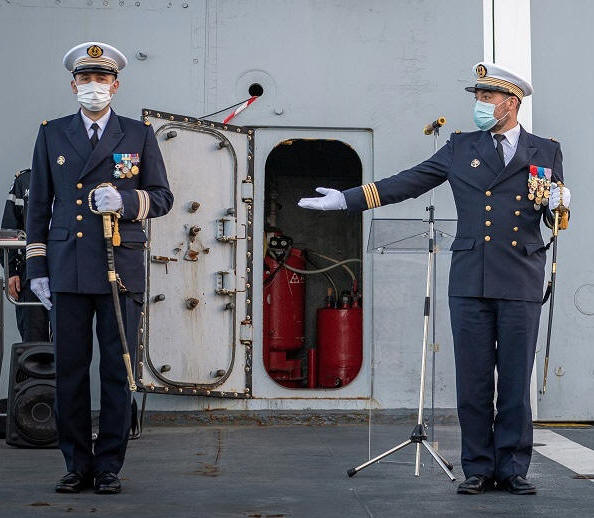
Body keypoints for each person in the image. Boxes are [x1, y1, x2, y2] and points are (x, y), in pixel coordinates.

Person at [298, 62, 571, 495]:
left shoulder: (545, 151)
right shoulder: (461, 148)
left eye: (487, 97)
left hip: (520, 275)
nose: (478, 105)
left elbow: (553, 217)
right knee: (474, 378)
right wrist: (347, 201)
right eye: (477, 97)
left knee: (516, 381)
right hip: (470, 278)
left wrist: (560, 203)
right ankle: (478, 467)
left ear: (511, 103)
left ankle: (514, 467)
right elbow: (411, 181)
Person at [26, 41, 173, 494]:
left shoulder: (138, 134)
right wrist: (37, 268)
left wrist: (126, 202)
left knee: (115, 369)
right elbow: (38, 206)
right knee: (70, 370)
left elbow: (163, 197)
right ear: (74, 85)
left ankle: (108, 465)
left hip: (118, 269)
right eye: (85, 79)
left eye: (101, 79)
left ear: (116, 84)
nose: (94, 87)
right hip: (68, 267)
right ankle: (76, 464)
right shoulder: (52, 134)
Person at [1, 168, 50, 341]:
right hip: (29, 272)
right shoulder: (25, 180)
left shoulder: (74, 177)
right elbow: (8, 230)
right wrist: (12, 272)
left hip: (66, 270)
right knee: (33, 339)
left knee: (69, 340)